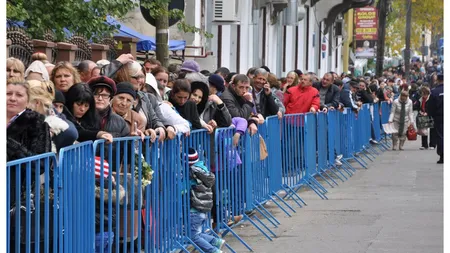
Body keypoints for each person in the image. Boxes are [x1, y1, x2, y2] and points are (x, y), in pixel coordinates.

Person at [7, 77, 53, 253]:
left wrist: (8, 143)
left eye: (19, 95)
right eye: (8, 93)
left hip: (19, 195)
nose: (12, 98)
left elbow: (40, 163)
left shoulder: (38, 123)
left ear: (27, 100)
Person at [187, 148, 225, 253]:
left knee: (192, 236)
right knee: (195, 234)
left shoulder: (193, 174)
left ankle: (213, 250)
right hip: (203, 209)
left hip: (195, 209)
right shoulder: (203, 170)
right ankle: (215, 241)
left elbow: (184, 188)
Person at [427, 74, 444, 163]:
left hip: (439, 117)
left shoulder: (435, 92)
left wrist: (431, 115)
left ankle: (442, 155)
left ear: (437, 80)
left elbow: (430, 106)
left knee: (441, 136)